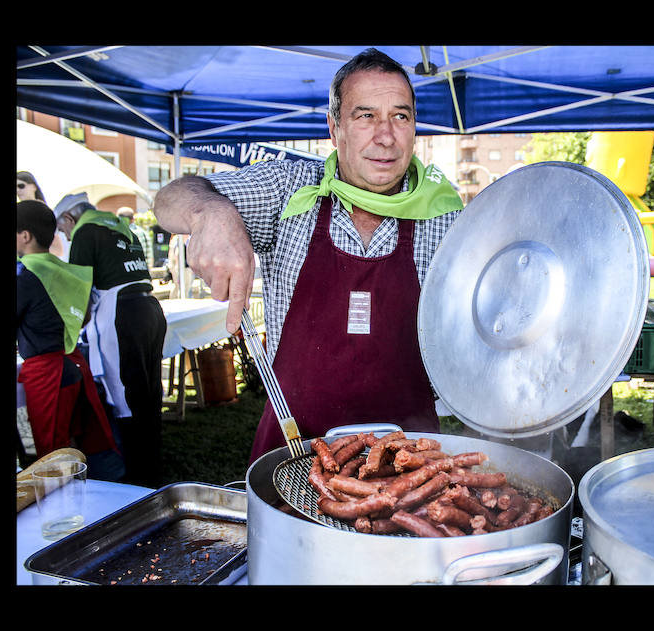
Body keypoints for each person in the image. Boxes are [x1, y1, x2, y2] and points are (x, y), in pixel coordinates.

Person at [153, 48, 464, 464]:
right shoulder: (289, 188)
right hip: (294, 455)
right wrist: (210, 212)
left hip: (411, 467)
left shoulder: (447, 218)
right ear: (334, 129)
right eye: (365, 115)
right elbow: (170, 197)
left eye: (400, 116)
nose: (385, 135)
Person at [54, 192, 168, 487]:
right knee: (149, 394)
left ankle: (137, 478)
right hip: (150, 309)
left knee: (126, 400)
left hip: (120, 316)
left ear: (69, 218)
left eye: (62, 228)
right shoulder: (121, 226)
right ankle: (153, 468)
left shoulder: (85, 231)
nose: (65, 235)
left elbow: (79, 290)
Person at [16, 200, 124, 479]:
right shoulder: (63, 270)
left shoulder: (26, 277)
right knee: (76, 442)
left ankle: (64, 508)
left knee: (50, 454)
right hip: (72, 366)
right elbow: (84, 315)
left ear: (25, 236)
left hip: (46, 372)